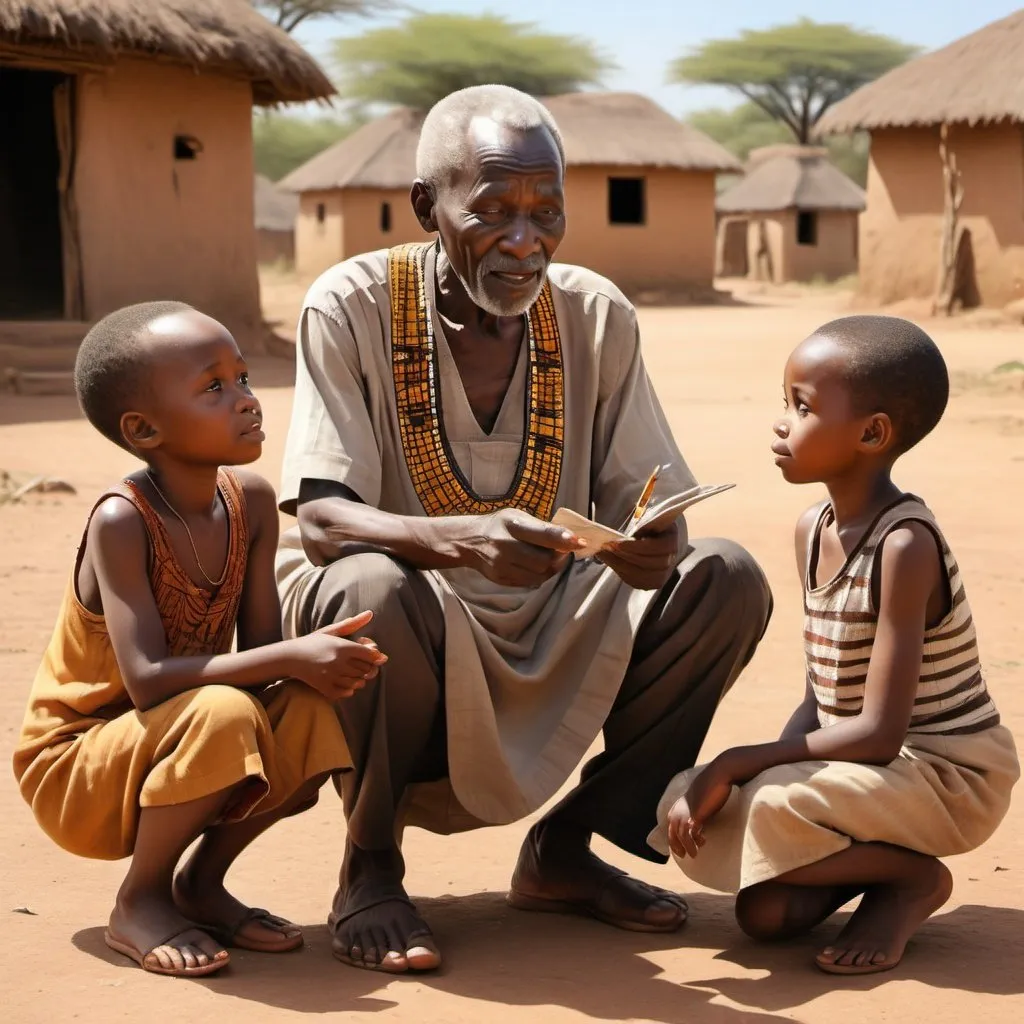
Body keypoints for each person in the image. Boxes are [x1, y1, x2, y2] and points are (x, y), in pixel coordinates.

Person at [275, 84, 773, 974]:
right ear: (429, 206)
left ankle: (567, 849)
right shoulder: (347, 303)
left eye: (547, 211)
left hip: (555, 609)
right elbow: (319, 518)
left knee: (726, 578)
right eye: (494, 210)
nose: (525, 238)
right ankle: (371, 861)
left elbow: (645, 495)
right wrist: (455, 539)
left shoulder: (594, 312)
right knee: (366, 585)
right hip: (410, 616)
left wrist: (654, 545)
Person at [13, 302, 387, 979]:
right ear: (143, 429)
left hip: (175, 742)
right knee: (225, 710)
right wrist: (290, 656)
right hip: (78, 768)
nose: (246, 400)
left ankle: (200, 885)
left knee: (312, 707)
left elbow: (266, 661)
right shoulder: (123, 521)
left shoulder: (251, 504)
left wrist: (319, 661)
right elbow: (148, 678)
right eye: (214, 387)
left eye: (242, 377)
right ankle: (140, 898)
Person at [650, 315, 1020, 976]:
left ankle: (913, 880)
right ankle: (878, 873)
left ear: (872, 434)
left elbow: (878, 734)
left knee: (759, 797)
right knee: (760, 909)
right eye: (784, 402)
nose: (782, 423)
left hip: (947, 776)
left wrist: (740, 763)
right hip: (877, 773)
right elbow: (823, 697)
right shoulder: (811, 528)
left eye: (803, 406)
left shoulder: (904, 547)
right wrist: (741, 775)